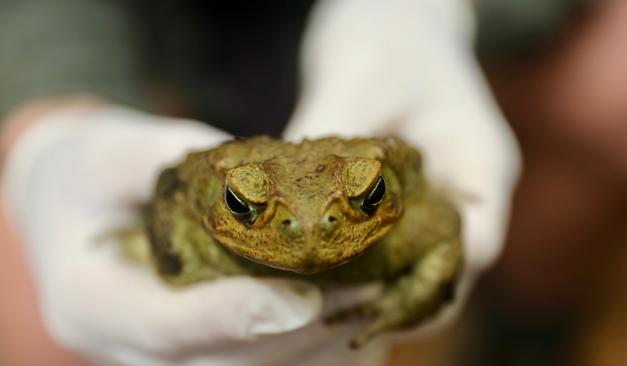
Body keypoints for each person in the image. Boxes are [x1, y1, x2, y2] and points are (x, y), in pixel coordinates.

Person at [0, 0, 520, 365]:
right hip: (161, 48)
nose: (310, 229)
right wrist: (49, 119)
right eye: (246, 205)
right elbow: (159, 213)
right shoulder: (195, 223)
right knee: (30, 293)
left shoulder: (401, 230)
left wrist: (420, 8)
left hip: (322, 65)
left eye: (367, 198)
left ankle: (526, 334)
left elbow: (445, 229)